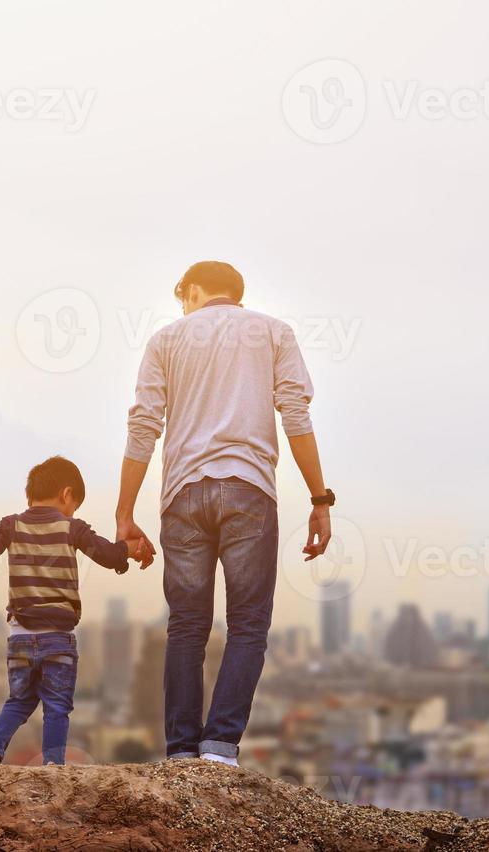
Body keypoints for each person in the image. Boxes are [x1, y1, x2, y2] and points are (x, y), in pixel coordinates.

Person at [115, 261, 335, 767]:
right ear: (236, 294)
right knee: (248, 625)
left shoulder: (165, 340)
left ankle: (181, 751)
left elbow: (143, 425)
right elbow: (297, 417)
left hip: (183, 496)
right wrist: (319, 500)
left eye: (183, 298)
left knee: (187, 627)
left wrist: (125, 513)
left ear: (192, 292)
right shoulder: (275, 333)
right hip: (249, 490)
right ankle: (219, 748)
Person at [0, 456, 133, 766]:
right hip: (58, 639)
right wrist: (129, 550)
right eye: (74, 504)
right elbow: (106, 554)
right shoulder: (71, 527)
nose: (72, 511)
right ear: (66, 495)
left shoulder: (13, 524)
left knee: (19, 701)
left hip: (20, 638)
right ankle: (52, 763)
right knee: (57, 705)